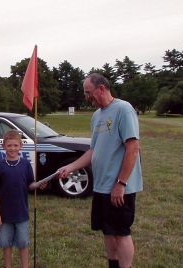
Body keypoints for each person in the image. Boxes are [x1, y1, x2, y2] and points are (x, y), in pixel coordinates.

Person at [59, 73, 143, 268]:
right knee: (107, 230)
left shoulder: (123, 109)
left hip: (120, 188)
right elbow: (93, 151)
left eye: (89, 93)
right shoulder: (97, 116)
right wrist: (70, 166)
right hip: (101, 186)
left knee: (121, 232)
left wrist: (121, 184)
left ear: (101, 89)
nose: (87, 97)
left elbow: (133, 148)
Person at [0, 130, 46, 268]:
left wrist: (38, 185)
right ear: (3, 146)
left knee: (23, 243)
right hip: (4, 214)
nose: (12, 148)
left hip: (22, 213)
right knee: (6, 243)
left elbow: (30, 185)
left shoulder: (26, 164)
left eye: (15, 145)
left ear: (21, 146)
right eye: (9, 145)